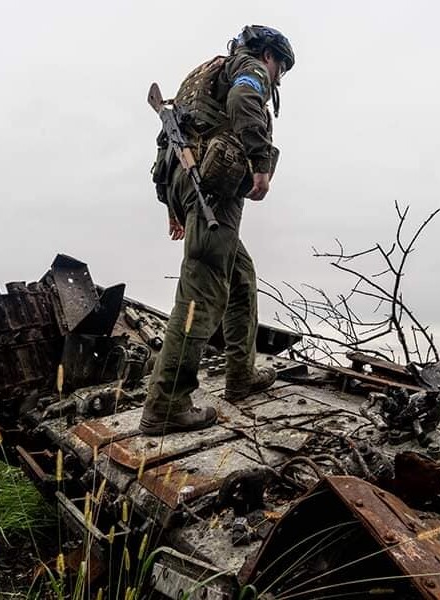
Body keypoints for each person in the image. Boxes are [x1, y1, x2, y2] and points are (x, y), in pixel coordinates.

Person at [140, 25, 295, 436]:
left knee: (239, 276)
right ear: (268, 55)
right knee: (201, 293)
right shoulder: (249, 69)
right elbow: (246, 99)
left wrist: (172, 205)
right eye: (280, 67)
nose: (278, 77)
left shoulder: (200, 77)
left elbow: (166, 144)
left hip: (188, 187)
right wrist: (260, 165)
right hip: (213, 193)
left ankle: (241, 374)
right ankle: (167, 404)